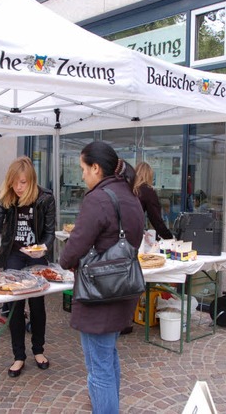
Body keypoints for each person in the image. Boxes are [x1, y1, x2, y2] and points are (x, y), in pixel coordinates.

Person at [58, 141, 145, 413]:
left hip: (99, 293)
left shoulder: (98, 198)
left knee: (99, 368)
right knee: (108, 357)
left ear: (96, 168)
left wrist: (65, 261)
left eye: (83, 168)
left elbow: (75, 246)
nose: (82, 175)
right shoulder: (131, 196)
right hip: (123, 288)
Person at [0, 156, 56, 378]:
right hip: (13, 254)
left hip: (35, 255)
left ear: (31, 181)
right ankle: (18, 356)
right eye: (14, 182)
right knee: (14, 304)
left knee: (37, 303)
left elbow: (50, 232)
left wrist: (44, 247)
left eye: (23, 183)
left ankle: (39, 349)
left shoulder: (45, 199)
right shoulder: (5, 198)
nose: (18, 187)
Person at [134, 162, 174, 240]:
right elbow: (156, 219)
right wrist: (169, 237)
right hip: (133, 235)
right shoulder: (147, 191)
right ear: (149, 176)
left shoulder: (128, 188)